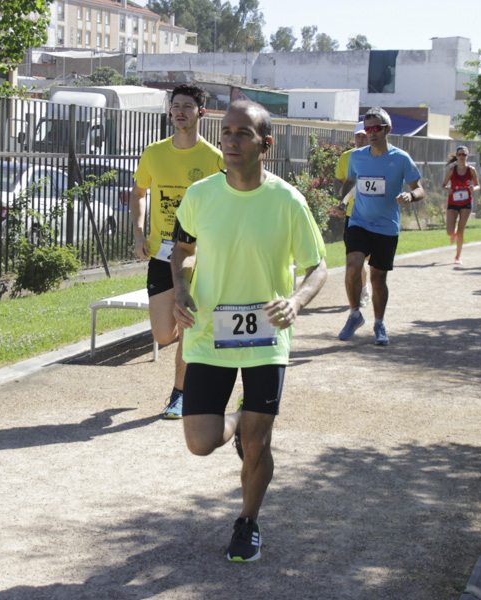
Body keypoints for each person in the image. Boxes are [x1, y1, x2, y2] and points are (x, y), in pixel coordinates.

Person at [169, 100, 327, 563]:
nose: (231, 141)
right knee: (200, 442)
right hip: (207, 336)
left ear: (266, 144)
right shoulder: (200, 195)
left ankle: (247, 522)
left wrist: (296, 301)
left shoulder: (287, 200)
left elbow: (319, 267)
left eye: (242, 133)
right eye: (226, 132)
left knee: (259, 444)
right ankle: (235, 421)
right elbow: (180, 252)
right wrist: (181, 290)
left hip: (266, 338)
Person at [130, 84, 224, 419]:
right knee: (162, 333)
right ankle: (194, 363)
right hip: (161, 255)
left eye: (187, 105)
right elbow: (138, 193)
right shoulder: (154, 153)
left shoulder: (214, 158)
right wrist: (140, 233)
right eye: (175, 105)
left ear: (201, 112)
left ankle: (180, 394)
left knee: (187, 324)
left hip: (198, 256)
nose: (180, 111)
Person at [337, 107, 425, 345]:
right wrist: (343, 202)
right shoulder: (357, 156)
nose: (371, 133)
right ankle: (354, 314)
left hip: (386, 227)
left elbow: (419, 188)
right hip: (359, 221)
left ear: (388, 129)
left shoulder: (401, 158)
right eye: (368, 129)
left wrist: (410, 196)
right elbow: (350, 182)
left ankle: (379, 323)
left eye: (377, 128)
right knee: (353, 265)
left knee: (378, 278)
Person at [334, 122, 371, 306]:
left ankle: (368, 283)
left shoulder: (378, 157)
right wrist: (343, 201)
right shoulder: (346, 157)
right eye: (358, 136)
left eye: (364, 136)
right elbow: (338, 181)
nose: (360, 140)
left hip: (374, 214)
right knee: (357, 257)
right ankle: (363, 289)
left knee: (371, 258)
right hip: (353, 214)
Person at [442, 145, 481, 264]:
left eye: (464, 154)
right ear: (457, 156)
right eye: (459, 154)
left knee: (461, 231)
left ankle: (458, 256)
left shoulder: (471, 170)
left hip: (466, 203)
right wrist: (447, 189)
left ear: (467, 156)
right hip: (453, 202)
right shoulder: (452, 170)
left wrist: (473, 188)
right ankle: (453, 233)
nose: (462, 157)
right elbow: (443, 185)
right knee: (450, 231)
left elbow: (478, 185)